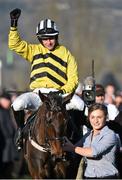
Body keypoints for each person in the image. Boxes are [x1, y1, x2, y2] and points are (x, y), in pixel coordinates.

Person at [8, 8, 79, 150]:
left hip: (59, 95)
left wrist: (63, 91)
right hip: (38, 95)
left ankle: (81, 139)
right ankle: (20, 131)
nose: (48, 42)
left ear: (56, 37)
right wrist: (14, 25)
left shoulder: (66, 53)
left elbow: (73, 78)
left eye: (51, 38)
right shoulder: (34, 50)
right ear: (40, 39)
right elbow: (14, 45)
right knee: (17, 104)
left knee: (82, 106)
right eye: (45, 39)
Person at [63, 103, 120, 179]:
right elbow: (74, 150)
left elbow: (93, 152)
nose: (95, 121)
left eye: (99, 117)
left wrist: (72, 148)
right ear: (89, 118)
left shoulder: (110, 135)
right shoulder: (87, 135)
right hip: (89, 177)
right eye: (92, 117)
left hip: (108, 177)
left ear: (106, 118)